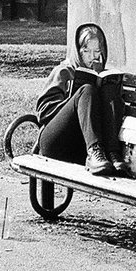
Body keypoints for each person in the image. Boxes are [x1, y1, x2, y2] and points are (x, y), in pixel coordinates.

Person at [36, 23, 128, 176]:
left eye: (97, 51)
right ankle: (94, 151)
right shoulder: (64, 71)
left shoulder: (103, 76)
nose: (92, 57)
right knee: (87, 90)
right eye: (86, 51)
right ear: (78, 51)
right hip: (56, 142)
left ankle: (112, 153)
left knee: (109, 89)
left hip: (83, 147)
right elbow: (43, 112)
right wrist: (75, 101)